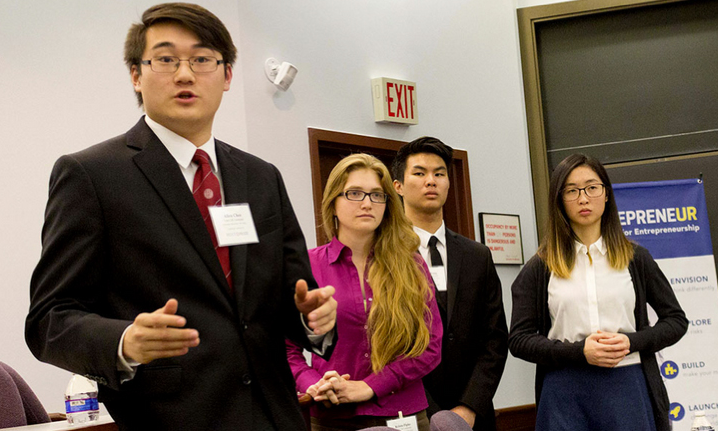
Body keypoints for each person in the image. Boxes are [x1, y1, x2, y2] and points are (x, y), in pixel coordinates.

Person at [25, 3, 337, 431]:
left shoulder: (261, 177)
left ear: (227, 76)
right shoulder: (92, 175)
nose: (185, 74)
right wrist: (125, 342)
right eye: (166, 59)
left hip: (275, 416)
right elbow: (49, 319)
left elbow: (290, 296)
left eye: (203, 59)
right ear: (136, 74)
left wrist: (311, 319)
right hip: (170, 418)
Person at [508, 153, 688, 431]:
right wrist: (580, 352)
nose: (583, 198)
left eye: (592, 187)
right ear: (559, 200)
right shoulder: (540, 267)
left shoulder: (636, 258)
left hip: (628, 386)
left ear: (606, 195)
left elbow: (676, 321)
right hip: (564, 391)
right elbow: (519, 340)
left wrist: (632, 342)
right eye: (572, 190)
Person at [286, 153, 443, 431]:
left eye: (376, 195)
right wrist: (315, 384)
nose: (367, 203)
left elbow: (430, 347)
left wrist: (370, 387)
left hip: (403, 415)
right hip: (332, 416)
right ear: (333, 203)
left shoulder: (411, 264)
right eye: (354, 193)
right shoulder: (307, 266)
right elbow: (286, 350)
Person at [390, 137, 508, 431]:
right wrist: (431, 413)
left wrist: (467, 408)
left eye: (439, 174)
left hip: (474, 415)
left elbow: (494, 339)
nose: (431, 181)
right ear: (398, 186)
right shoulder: (384, 257)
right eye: (419, 173)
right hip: (411, 411)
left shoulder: (477, 255)